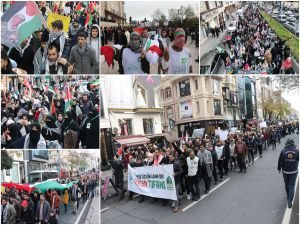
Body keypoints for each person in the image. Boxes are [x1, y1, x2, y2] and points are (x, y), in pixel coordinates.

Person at [277, 139, 299, 208]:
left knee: (287, 184)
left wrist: (279, 168)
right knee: (291, 186)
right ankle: (290, 200)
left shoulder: (283, 151)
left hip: (285, 171)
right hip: (294, 171)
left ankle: (288, 196)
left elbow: (280, 160)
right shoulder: (297, 151)